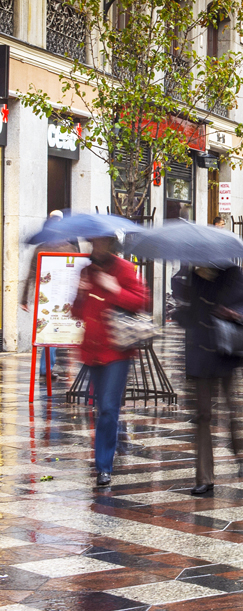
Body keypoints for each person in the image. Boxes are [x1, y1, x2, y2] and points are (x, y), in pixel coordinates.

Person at [173, 263, 243, 495]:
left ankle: (239, 451)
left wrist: (237, 314)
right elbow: (187, 312)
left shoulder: (231, 273)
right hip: (199, 353)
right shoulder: (188, 275)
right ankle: (204, 477)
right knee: (203, 415)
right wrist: (178, 310)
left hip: (226, 352)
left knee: (231, 409)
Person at [71, 235, 149, 488]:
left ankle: (104, 466)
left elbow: (141, 301)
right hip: (92, 351)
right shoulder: (86, 270)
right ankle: (114, 438)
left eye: (101, 243)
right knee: (102, 407)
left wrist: (114, 288)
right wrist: (81, 295)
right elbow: (76, 312)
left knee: (107, 407)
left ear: (111, 245)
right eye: (93, 244)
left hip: (117, 350)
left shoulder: (124, 269)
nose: (96, 248)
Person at [24, 209, 78, 381]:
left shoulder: (40, 248)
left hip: (45, 298)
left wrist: (25, 299)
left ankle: (46, 367)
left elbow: (31, 275)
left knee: (48, 332)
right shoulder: (70, 248)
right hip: (65, 298)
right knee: (65, 331)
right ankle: (57, 366)